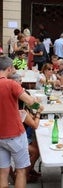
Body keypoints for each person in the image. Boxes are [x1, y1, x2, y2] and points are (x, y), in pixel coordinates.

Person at [0, 55, 41, 188]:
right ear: (9, 68)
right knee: (21, 170)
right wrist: (38, 106)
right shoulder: (11, 83)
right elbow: (30, 102)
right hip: (15, 134)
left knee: (3, 173)